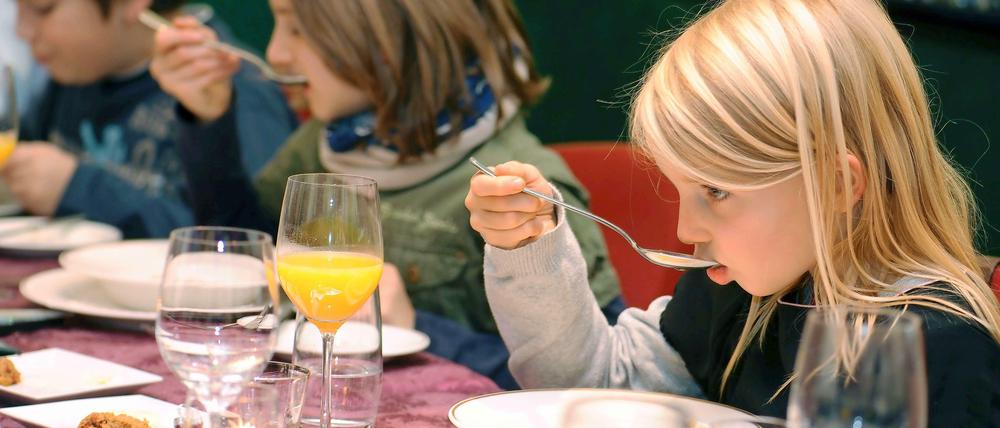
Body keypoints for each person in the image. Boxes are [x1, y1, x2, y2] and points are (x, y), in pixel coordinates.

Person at [466, 0, 1000, 424]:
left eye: (716, 192)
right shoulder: (746, 285)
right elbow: (600, 388)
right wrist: (528, 249)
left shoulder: (937, 350)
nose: (683, 230)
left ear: (837, 185)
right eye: (681, 191)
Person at [150, 0, 622, 389]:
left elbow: (588, 385)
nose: (275, 54)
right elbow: (246, 266)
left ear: (386, 41)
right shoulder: (324, 142)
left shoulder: (515, 192)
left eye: (296, 28)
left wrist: (420, 329)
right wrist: (208, 118)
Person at [4, 0, 294, 238]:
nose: (22, 30)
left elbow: (245, 239)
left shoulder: (230, 91)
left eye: (43, 9)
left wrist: (78, 188)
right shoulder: (78, 68)